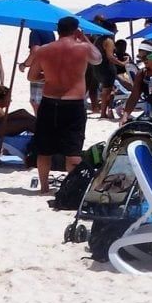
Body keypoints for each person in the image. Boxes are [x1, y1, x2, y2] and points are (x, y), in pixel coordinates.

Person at [25, 15, 99, 197]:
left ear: (58, 30)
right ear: (76, 30)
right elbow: (97, 59)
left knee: (44, 148)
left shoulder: (44, 50)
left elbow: (31, 76)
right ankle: (71, 190)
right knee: (73, 149)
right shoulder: (82, 48)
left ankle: (44, 188)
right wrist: (85, 39)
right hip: (73, 104)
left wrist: (48, 77)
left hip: (49, 102)